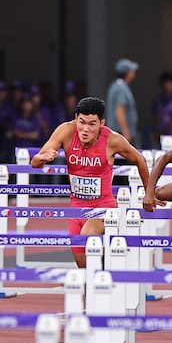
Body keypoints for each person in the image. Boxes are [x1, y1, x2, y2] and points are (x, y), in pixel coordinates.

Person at [31, 96, 150, 268]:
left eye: (92, 124)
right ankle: (106, 275)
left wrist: (149, 192)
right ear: (76, 118)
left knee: (87, 240)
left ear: (102, 123)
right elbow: (35, 162)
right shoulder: (65, 131)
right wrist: (42, 158)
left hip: (102, 208)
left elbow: (139, 159)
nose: (85, 129)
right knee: (83, 267)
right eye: (82, 122)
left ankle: (108, 270)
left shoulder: (112, 139)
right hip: (76, 210)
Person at [106, 58, 140, 146]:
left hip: (118, 133)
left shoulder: (116, 86)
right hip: (120, 133)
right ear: (127, 73)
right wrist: (126, 133)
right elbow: (120, 111)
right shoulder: (121, 88)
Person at [151, 71, 172, 145]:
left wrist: (166, 129)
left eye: (169, 84)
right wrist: (157, 131)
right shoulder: (157, 100)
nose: (167, 86)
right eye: (165, 84)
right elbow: (154, 118)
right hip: (159, 135)